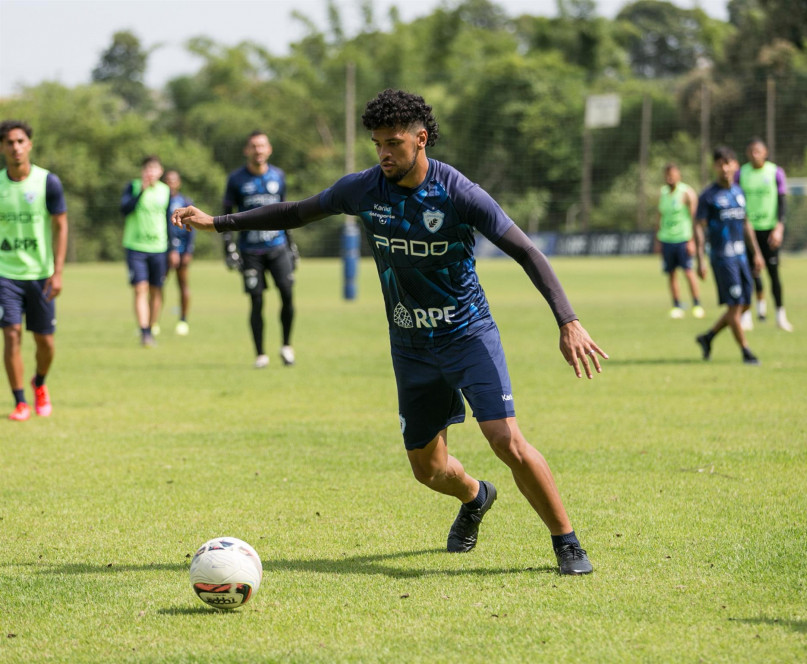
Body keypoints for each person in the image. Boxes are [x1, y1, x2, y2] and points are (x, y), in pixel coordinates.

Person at [174, 89, 608, 575]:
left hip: (467, 333)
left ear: (421, 140)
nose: (383, 153)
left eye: (394, 144)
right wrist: (217, 222)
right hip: (410, 347)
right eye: (377, 143)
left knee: (505, 439)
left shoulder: (458, 192)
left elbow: (527, 251)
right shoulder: (362, 190)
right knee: (428, 470)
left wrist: (568, 320)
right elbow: (294, 212)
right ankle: (475, 496)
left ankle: (566, 542)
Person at [0, 120, 68, 421]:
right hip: (6, 274)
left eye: (20, 141)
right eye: (9, 142)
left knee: (46, 342)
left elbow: (61, 224)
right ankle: (20, 402)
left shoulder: (47, 182)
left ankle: (39, 383)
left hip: (41, 274)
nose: (15, 147)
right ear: (2, 147)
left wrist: (58, 271)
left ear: (29, 144)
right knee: (12, 334)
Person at [222, 131, 297, 368]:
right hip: (250, 250)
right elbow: (226, 214)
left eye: (262, 146)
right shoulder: (236, 180)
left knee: (287, 293)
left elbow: (287, 214)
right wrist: (228, 247)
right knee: (256, 301)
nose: (258, 150)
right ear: (247, 150)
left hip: (277, 247)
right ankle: (260, 354)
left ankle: (286, 346)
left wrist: (292, 245)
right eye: (254, 146)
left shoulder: (279, 176)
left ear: (269, 149)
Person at [694, 146, 765, 366]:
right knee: (735, 306)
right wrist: (700, 258)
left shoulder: (738, 192)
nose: (725, 168)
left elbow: (746, 224)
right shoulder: (708, 196)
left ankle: (708, 337)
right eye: (720, 164)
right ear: (715, 167)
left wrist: (757, 253)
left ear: (735, 165)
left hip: (742, 257)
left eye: (728, 163)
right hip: (723, 259)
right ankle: (746, 351)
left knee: (745, 304)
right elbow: (698, 227)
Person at [736, 138, 793, 332]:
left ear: (765, 152)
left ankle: (780, 315)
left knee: (773, 274)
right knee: (748, 274)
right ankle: (746, 316)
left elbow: (782, 202)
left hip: (769, 231)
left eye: (758, 151)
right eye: (751, 151)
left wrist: (779, 227)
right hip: (747, 230)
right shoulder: (741, 173)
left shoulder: (775, 172)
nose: (754, 155)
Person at [121, 155, 171, 347]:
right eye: (147, 168)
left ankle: (151, 327)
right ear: (143, 171)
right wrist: (141, 191)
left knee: (156, 290)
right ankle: (144, 331)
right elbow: (124, 209)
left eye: (154, 168)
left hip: (159, 248)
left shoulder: (165, 191)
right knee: (140, 288)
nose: (150, 172)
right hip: (136, 247)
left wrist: (173, 249)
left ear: (160, 171)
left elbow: (169, 220)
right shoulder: (133, 187)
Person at [655, 163, 704, 319]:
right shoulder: (662, 193)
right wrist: (658, 238)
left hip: (683, 238)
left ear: (679, 175)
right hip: (667, 239)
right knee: (671, 274)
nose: (670, 177)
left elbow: (693, 218)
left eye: (673, 174)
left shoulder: (686, 192)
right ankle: (677, 305)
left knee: (688, 272)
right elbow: (660, 216)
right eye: (667, 174)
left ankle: (697, 304)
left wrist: (692, 241)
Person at [164, 169, 195, 336]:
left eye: (173, 180)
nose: (170, 183)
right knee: (158, 285)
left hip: (182, 251)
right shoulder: (160, 201)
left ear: (179, 182)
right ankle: (153, 322)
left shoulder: (185, 201)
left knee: (183, 284)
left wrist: (188, 250)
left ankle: (183, 320)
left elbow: (192, 227)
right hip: (164, 250)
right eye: (167, 180)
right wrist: (171, 249)